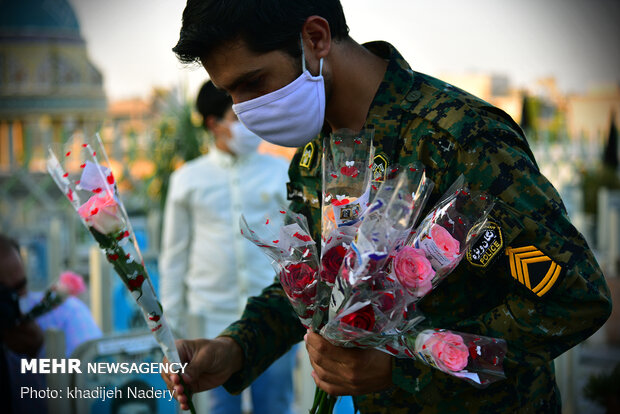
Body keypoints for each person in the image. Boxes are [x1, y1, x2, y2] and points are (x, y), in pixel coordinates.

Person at [162, 1, 612, 412]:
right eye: (231, 93)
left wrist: (408, 363)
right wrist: (234, 348)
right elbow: (318, 289)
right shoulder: (313, 158)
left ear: (315, 39)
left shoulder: (457, 138)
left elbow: (574, 298)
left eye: (253, 82)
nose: (244, 110)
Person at [159, 80, 296, 414]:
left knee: (275, 406)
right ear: (213, 124)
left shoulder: (280, 171)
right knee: (218, 408)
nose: (248, 126)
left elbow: (297, 250)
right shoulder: (188, 180)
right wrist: (170, 326)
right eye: (238, 117)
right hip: (209, 322)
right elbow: (174, 256)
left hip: (269, 323)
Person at [0, 234, 102, 414]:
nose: (10, 303)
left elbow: (96, 393)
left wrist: (42, 351)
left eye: (19, 287)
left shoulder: (67, 316)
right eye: (3, 294)